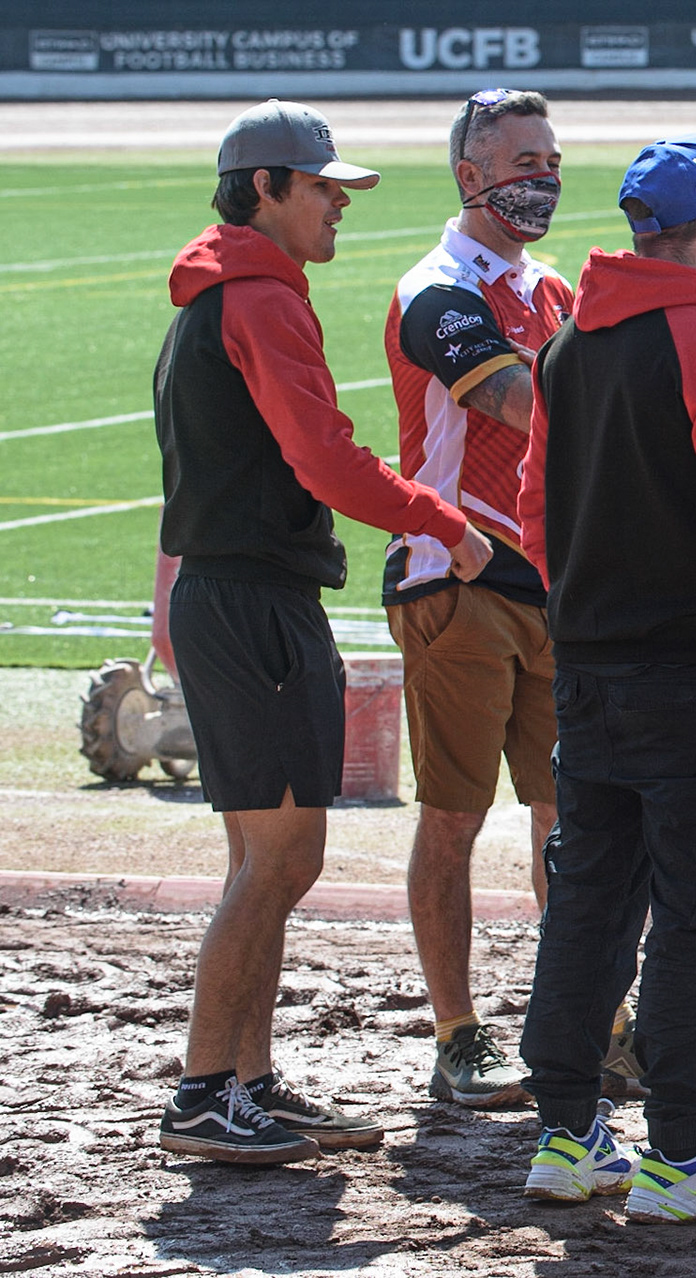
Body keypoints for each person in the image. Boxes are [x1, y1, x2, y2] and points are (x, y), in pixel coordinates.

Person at [154, 99, 491, 1164]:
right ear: (265, 189)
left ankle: (246, 1081)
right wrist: (444, 518)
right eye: (323, 187)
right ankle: (207, 1094)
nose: (339, 204)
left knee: (266, 856)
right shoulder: (255, 298)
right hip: (254, 602)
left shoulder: (224, 292)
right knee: (284, 859)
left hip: (232, 596)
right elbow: (327, 461)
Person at [513, 135, 696, 1222]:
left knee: (589, 901)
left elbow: (540, 517)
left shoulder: (567, 346)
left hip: (590, 671)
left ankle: (567, 1131)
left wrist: (586, 622)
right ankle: (681, 1146)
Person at [384, 88, 570, 1109]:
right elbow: (518, 399)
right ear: (470, 177)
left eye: (549, 159)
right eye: (522, 162)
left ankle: (582, 1015)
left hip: (547, 584)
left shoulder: (552, 288)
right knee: (454, 819)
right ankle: (458, 1032)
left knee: (566, 819)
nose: (541, 177)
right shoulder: (437, 291)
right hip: (454, 580)